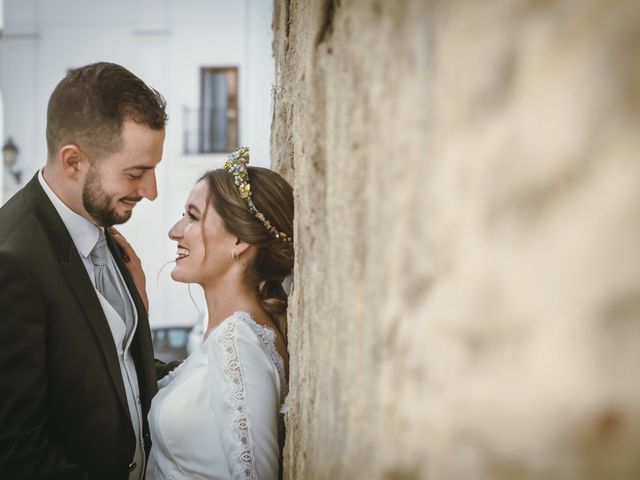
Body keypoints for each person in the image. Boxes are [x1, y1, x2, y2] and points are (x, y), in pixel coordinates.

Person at [0, 62, 171, 479]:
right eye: (136, 173)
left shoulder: (99, 223)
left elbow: (119, 368)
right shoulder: (12, 261)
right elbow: (14, 451)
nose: (151, 191)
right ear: (73, 161)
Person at [114, 146, 293, 479]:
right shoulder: (228, 336)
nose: (175, 230)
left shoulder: (239, 344)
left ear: (239, 240)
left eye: (193, 216)